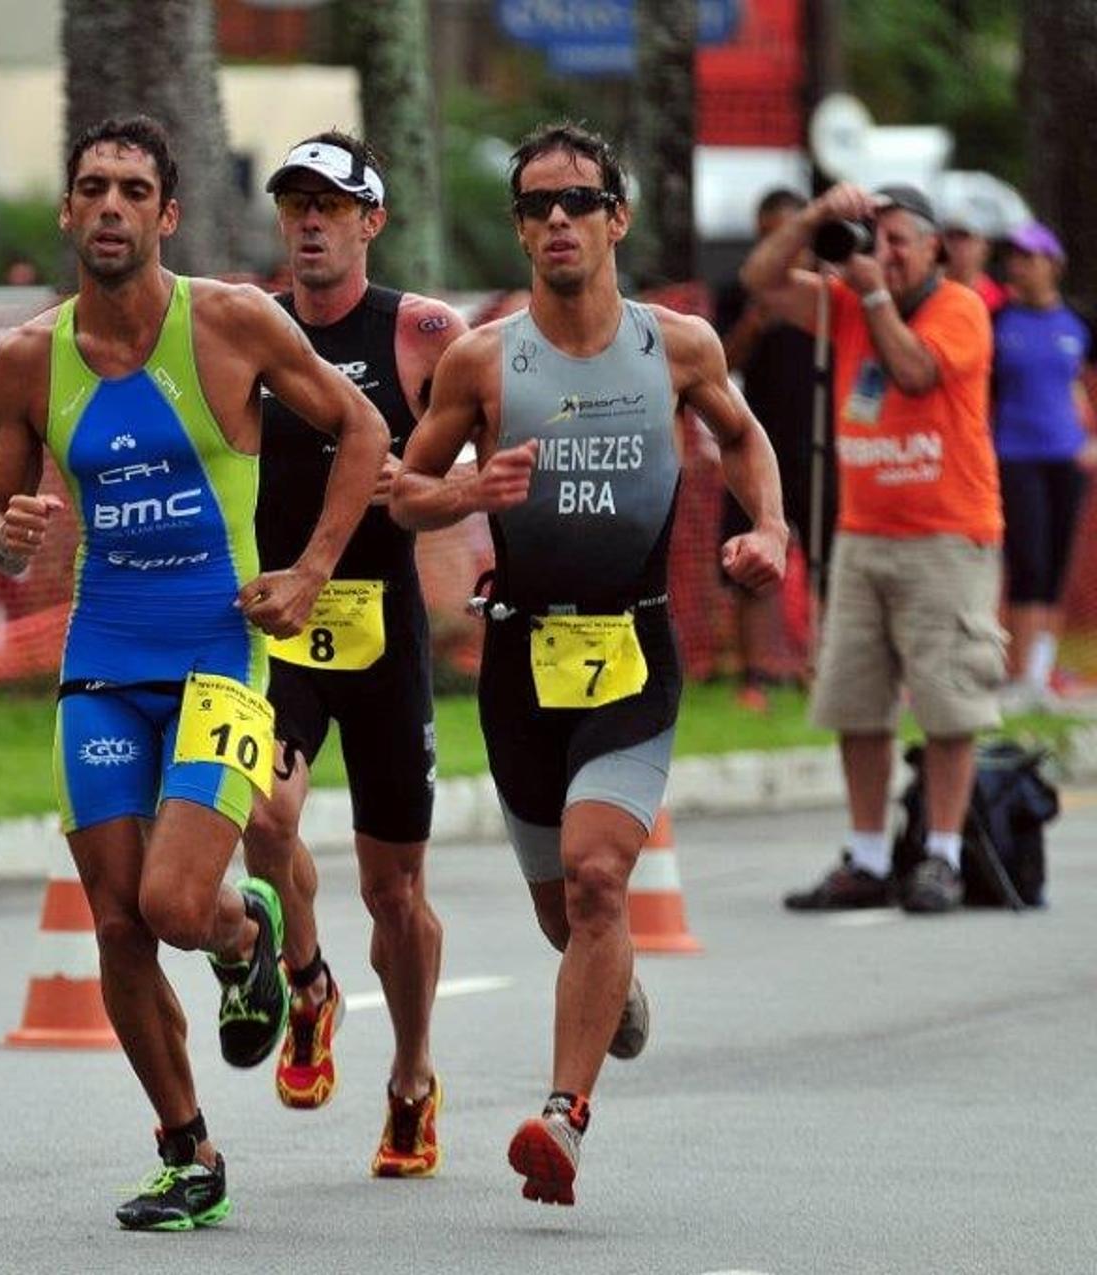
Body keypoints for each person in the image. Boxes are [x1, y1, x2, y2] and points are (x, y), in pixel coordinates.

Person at [0, 115, 388, 1232]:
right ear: (68, 212)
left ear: (167, 214)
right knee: (114, 921)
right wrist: (8, 537)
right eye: (91, 188)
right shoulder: (25, 360)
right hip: (102, 656)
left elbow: (362, 432)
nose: (109, 206)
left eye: (132, 191)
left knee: (171, 903)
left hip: (222, 648)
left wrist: (309, 571)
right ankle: (187, 1150)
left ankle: (246, 929)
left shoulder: (233, 323)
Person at [391, 122, 788, 1207]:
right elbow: (403, 490)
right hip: (520, 656)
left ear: (618, 218)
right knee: (565, 914)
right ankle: (610, 983)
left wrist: (774, 530)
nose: (557, 221)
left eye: (578, 202)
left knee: (601, 877)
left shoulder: (680, 345)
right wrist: (464, 497)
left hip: (630, 645)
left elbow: (745, 439)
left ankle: (563, 1118)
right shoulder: (483, 359)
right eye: (535, 206)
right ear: (520, 228)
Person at [241, 131, 466, 1177]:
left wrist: (463, 526)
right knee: (262, 815)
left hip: (384, 641)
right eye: (295, 204)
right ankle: (309, 978)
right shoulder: (251, 331)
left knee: (395, 892)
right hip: (285, 627)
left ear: (371, 221)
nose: (311, 221)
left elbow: (483, 456)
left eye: (331, 205)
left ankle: (413, 1074)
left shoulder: (422, 332)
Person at [742, 182, 1002, 916]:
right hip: (862, 536)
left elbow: (915, 370)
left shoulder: (961, 307)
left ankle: (943, 856)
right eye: (873, 237)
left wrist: (875, 296)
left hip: (946, 536)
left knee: (950, 705)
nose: (882, 253)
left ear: (933, 248)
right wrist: (818, 218)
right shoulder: (846, 303)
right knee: (856, 700)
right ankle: (867, 855)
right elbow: (760, 280)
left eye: (898, 241)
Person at [713, 188, 835, 710]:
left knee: (829, 561)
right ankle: (755, 672)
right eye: (767, 235)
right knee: (751, 558)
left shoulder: (828, 295)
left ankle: (825, 667)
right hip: (758, 443)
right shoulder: (744, 291)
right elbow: (718, 363)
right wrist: (754, 323)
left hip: (822, 444)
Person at [991, 221, 1094, 704]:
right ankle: (1017, 674)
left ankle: (1039, 673)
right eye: (1015, 257)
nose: (1020, 266)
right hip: (1015, 454)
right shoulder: (999, 322)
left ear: (1053, 264)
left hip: (1065, 457)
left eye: (1030, 257)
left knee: (1055, 564)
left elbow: (1077, 384)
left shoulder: (1077, 323)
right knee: (1027, 560)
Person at [942, 208, 1007, 315]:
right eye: (951, 237)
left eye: (964, 237)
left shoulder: (1001, 301)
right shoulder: (928, 292)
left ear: (985, 246)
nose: (956, 245)